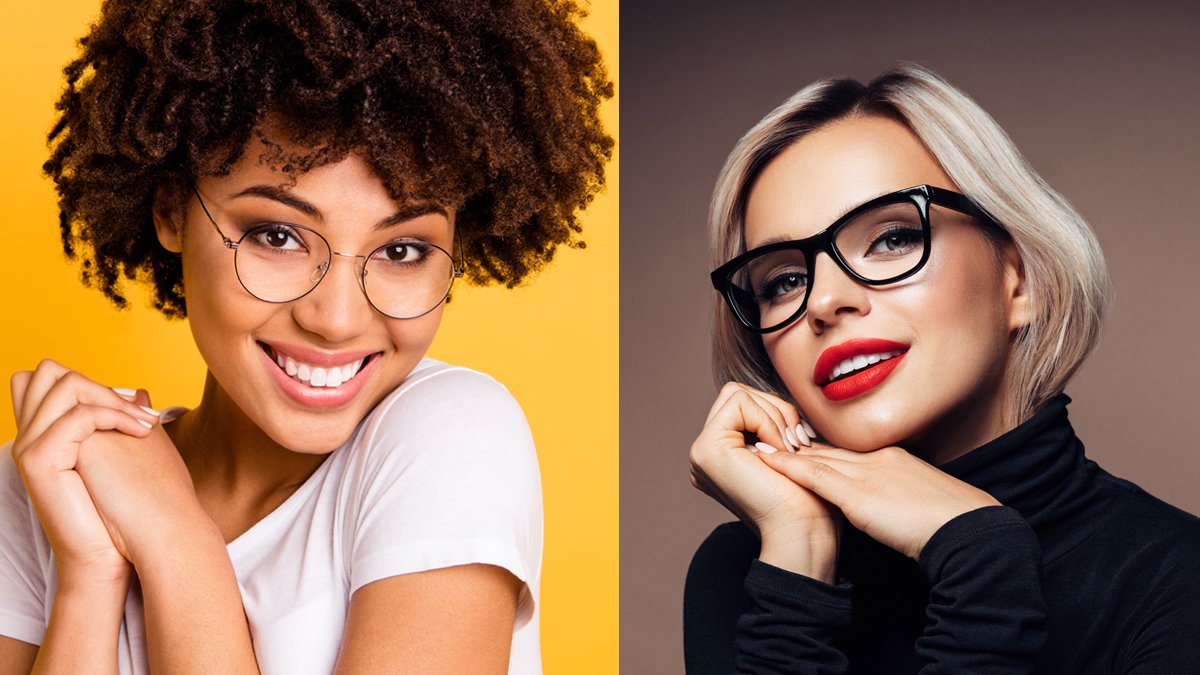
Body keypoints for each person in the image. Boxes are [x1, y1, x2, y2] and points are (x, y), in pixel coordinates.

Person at [0, 0, 612, 673]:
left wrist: (180, 547)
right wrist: (88, 577)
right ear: (171, 209)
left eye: (403, 249)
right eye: (278, 235)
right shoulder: (52, 476)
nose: (338, 317)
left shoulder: (450, 436)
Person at [684, 65, 1200, 673]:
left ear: (1020, 279)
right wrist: (799, 555)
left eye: (892, 238)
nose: (824, 301)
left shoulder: (1176, 579)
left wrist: (981, 559)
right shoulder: (753, 570)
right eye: (785, 280)